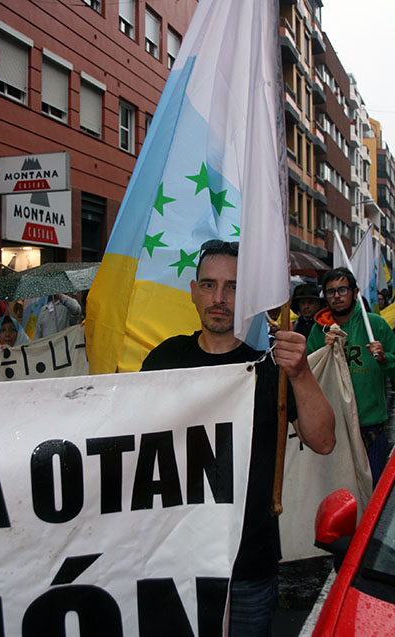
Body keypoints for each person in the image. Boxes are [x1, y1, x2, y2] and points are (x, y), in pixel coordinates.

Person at [141, 240, 335, 636]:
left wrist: (300, 373)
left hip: (247, 565)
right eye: (209, 285)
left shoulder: (269, 369)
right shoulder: (164, 360)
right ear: (193, 292)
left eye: (233, 287)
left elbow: (323, 440)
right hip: (173, 559)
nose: (219, 297)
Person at [307, 267, 395, 487]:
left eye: (342, 290)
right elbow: (308, 374)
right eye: (331, 291)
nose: (337, 296)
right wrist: (324, 351)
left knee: (373, 491)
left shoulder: (375, 324)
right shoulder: (319, 330)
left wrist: (385, 358)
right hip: (335, 427)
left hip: (371, 427)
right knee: (341, 492)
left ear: (354, 292)